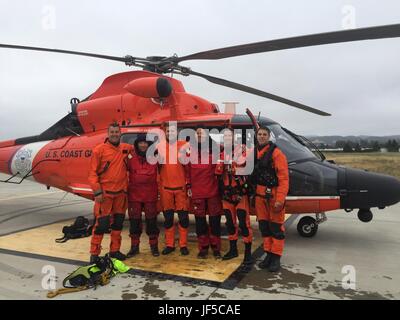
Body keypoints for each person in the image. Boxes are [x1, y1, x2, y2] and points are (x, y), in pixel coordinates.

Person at [88, 123, 132, 263]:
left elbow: (140, 148)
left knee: (118, 224)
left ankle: (114, 251)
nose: (114, 134)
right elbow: (92, 174)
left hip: (120, 194)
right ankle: (94, 254)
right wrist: (97, 192)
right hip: (105, 194)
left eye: (117, 132)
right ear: (108, 134)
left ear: (120, 133)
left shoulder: (125, 148)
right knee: (101, 225)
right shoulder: (99, 150)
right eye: (112, 132)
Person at [252, 126, 289, 272]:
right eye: (259, 134)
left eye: (264, 134)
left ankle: (276, 257)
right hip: (260, 197)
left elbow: (284, 178)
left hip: (273, 196)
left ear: (268, 137)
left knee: (276, 228)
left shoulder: (277, 154)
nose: (261, 136)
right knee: (264, 227)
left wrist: (280, 199)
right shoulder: (254, 152)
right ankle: (268, 253)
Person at [216, 129, 253, 266]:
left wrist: (234, 167)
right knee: (230, 224)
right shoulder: (220, 153)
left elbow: (249, 166)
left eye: (229, 136)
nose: (227, 138)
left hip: (240, 193)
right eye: (224, 136)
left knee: (244, 223)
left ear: (234, 138)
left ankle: (248, 253)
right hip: (227, 194)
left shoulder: (243, 150)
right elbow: (217, 171)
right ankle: (233, 250)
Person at [185, 125, 222, 259]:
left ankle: (216, 248)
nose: (200, 136)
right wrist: (188, 186)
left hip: (213, 192)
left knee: (215, 222)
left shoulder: (216, 150)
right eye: (198, 134)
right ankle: (203, 248)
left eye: (202, 134)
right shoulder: (189, 151)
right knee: (200, 223)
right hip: (197, 192)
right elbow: (187, 171)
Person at [158, 122, 190, 256]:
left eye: (172, 131)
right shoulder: (159, 147)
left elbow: (189, 167)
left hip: (181, 189)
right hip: (166, 189)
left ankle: (183, 244)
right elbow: (156, 169)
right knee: (168, 219)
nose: (170, 133)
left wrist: (189, 184)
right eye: (167, 131)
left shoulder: (184, 145)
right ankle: (170, 244)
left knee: (183, 218)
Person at [126, 133, 160, 257]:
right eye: (141, 142)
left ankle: (154, 246)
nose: (143, 145)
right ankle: (134, 246)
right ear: (137, 144)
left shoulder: (156, 157)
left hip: (150, 194)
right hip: (134, 195)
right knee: (134, 222)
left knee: (152, 222)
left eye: (145, 143)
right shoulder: (130, 158)